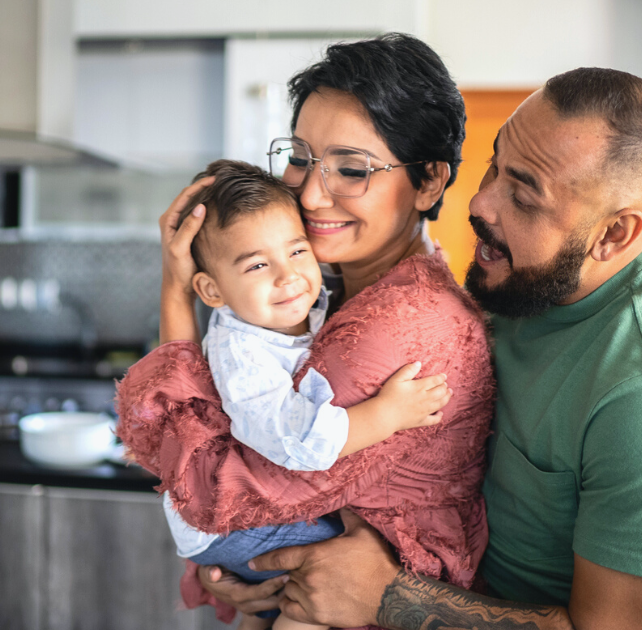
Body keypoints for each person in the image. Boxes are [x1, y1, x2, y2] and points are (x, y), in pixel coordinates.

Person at [241, 69, 642, 630]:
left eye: (522, 194)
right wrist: (255, 567)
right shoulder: (520, 281)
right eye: (494, 165)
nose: (482, 203)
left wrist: (386, 596)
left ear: (614, 235)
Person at [113, 33, 495, 630]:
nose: (311, 193)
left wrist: (174, 290)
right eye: (299, 157)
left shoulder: (394, 328)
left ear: (428, 181)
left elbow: (216, 491)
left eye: (351, 168)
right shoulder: (329, 289)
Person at [141, 158, 453, 630]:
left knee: (297, 586)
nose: (287, 276)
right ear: (211, 290)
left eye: (298, 251)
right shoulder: (242, 353)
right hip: (230, 525)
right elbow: (297, 440)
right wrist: (388, 414)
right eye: (259, 265)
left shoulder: (297, 303)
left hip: (229, 520)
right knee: (327, 569)